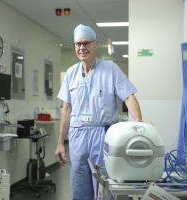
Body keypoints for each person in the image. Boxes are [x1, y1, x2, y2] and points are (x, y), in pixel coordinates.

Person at [55, 24, 143, 200]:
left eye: (86, 43)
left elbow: (128, 97)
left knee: (105, 184)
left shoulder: (110, 69)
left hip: (103, 134)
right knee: (79, 185)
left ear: (95, 44)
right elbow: (66, 109)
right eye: (77, 44)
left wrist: (139, 122)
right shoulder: (71, 73)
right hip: (77, 135)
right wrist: (59, 143)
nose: (81, 48)